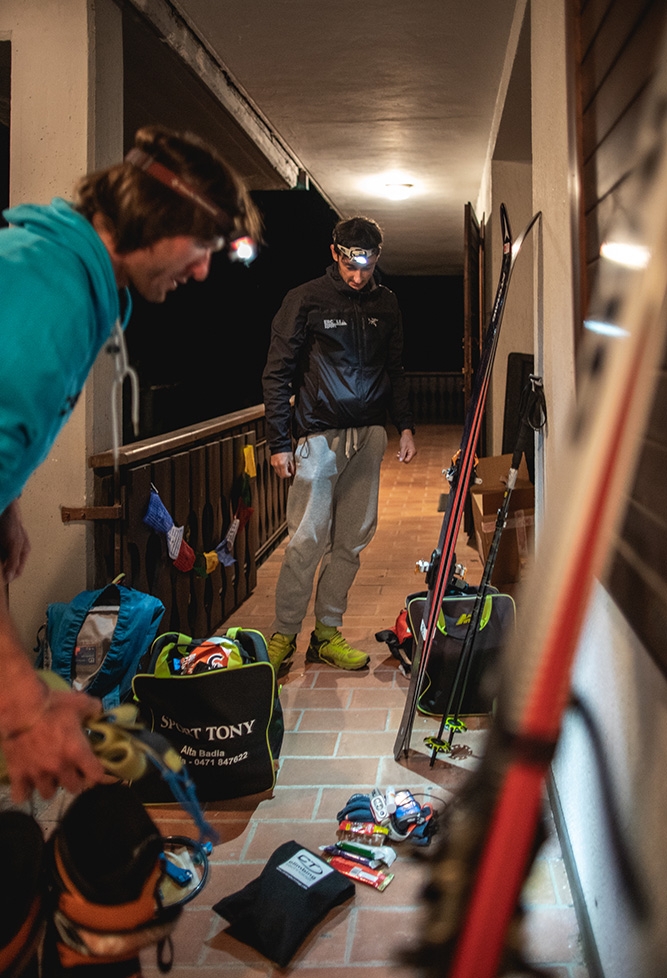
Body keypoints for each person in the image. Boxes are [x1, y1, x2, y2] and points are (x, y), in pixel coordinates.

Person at [0, 125, 261, 806]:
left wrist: (7, 501)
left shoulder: (68, 275)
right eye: (203, 246)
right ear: (158, 216)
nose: (204, 270)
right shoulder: (49, 297)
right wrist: (22, 705)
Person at [262, 216, 416, 672]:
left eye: (366, 267)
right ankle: (283, 636)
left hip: (369, 437)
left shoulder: (387, 303)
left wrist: (404, 425)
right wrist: (279, 441)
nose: (357, 275)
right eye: (350, 265)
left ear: (376, 260)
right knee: (306, 540)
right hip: (316, 438)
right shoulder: (305, 298)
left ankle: (326, 634)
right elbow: (277, 373)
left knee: (351, 541)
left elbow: (397, 369)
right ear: (335, 253)